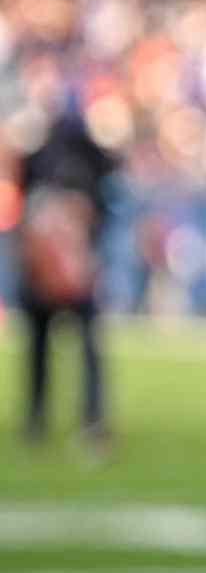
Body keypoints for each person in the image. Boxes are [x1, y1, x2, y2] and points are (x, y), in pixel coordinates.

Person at [14, 107, 116, 453]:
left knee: (43, 347)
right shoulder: (90, 164)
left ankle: (40, 418)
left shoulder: (41, 160)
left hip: (58, 273)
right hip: (68, 271)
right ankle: (91, 418)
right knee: (85, 348)